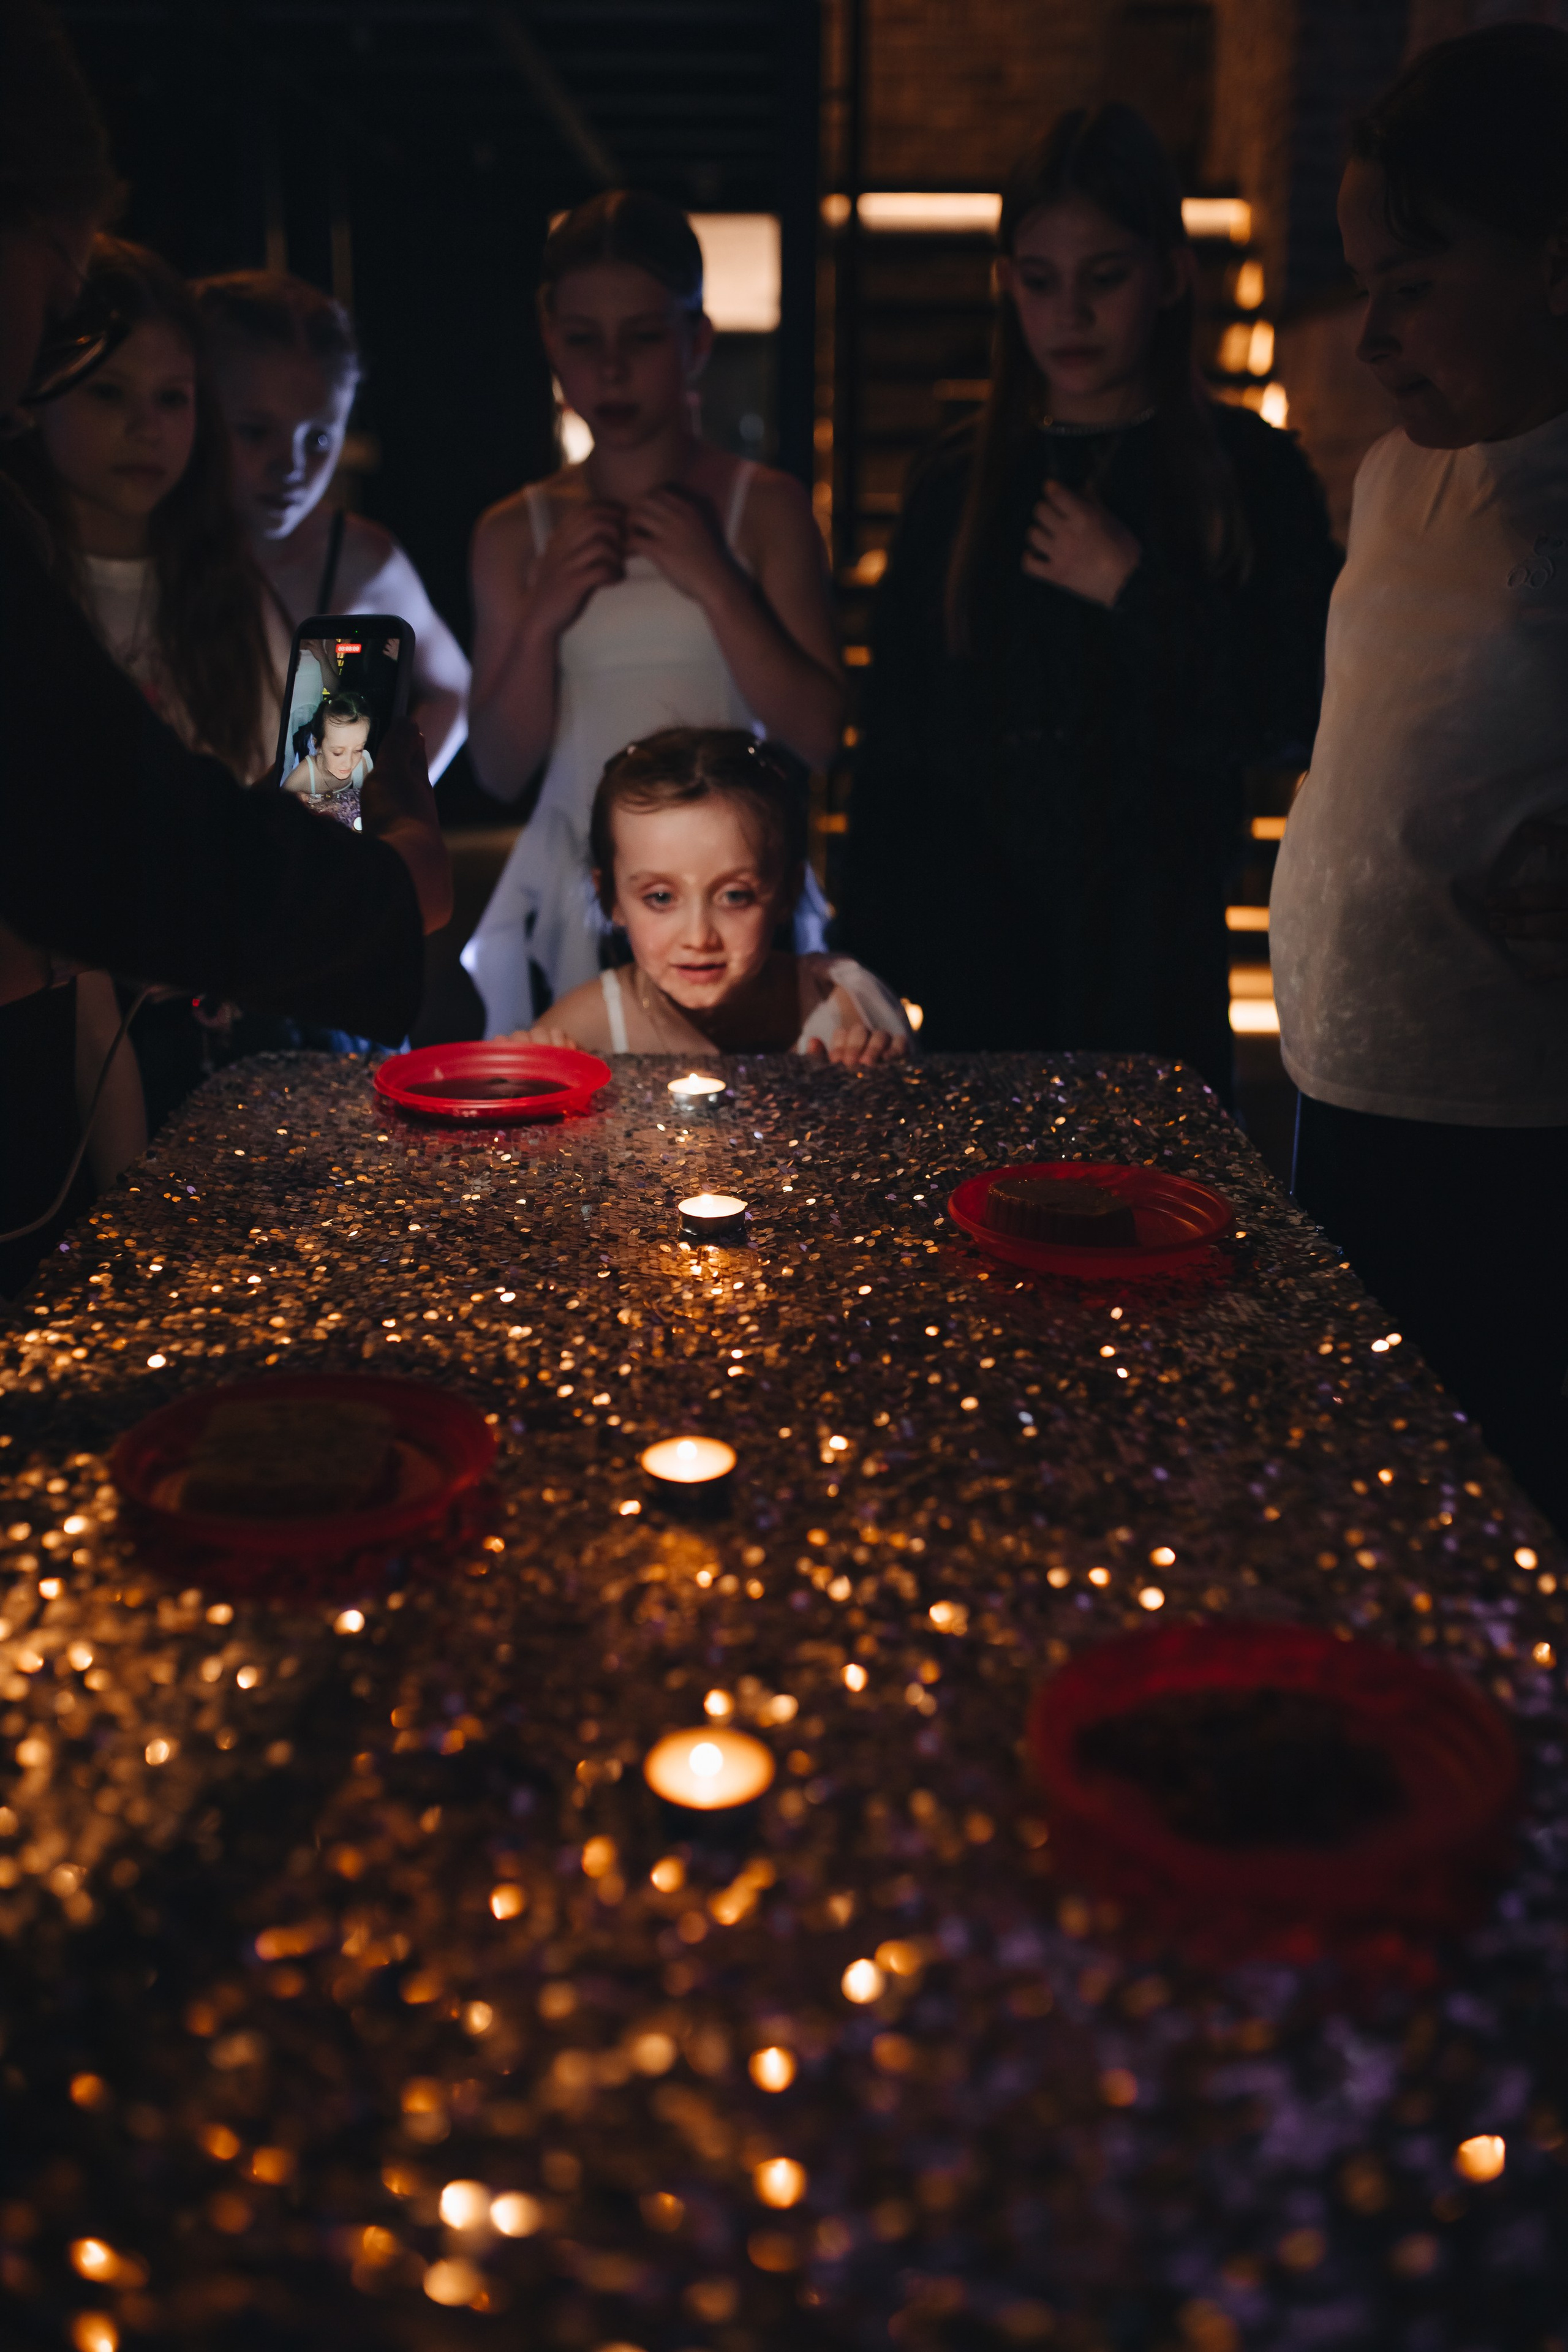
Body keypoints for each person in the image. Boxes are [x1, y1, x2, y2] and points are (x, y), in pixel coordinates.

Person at [0, 0, 449, 1294]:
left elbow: (324, 801)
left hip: (239, 1017)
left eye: (176, 405)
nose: (279, 467)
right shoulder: (36, 569)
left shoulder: (329, 580)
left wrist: (369, 834)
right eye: (250, 430)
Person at [840, 104, 1340, 1096]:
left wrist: (1135, 589)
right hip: (982, 956)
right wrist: (868, 962)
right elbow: (898, 739)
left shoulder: (1250, 469)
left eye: (1102, 278)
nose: (1068, 314)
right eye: (1039, 281)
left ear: (1169, 272)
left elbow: (1296, 706)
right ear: (1005, 283)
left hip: (1156, 957)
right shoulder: (957, 482)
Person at [1270, 24, 1568, 1532]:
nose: (1370, 333)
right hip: (1339, 1065)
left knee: (1486, 1487)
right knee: (1355, 1462)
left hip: (1502, 1111)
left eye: (1411, 286)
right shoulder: (1393, 473)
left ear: (1549, 267)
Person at [463, 189, 845, 1036]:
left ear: (695, 341)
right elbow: (496, 767)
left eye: (641, 337)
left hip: (727, 895)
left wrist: (716, 583)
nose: (610, 370)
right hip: (581, 892)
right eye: (582, 340)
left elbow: (819, 734)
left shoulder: (765, 508)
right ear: (547, 337)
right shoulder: (512, 532)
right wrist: (543, 616)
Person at [193, 268, 470, 780]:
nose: (291, 466)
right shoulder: (141, 546)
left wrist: (388, 807)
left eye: (319, 439)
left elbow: (455, 692)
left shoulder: (359, 559)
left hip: (303, 855)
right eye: (256, 432)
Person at [518, 728, 910, 1063]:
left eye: (735, 896)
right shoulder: (582, 1033)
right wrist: (526, 1083)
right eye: (660, 898)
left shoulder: (843, 1008)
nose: (699, 938)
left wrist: (875, 1084)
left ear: (788, 892)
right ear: (611, 899)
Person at [281, 688, 374, 827]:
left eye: (358, 750)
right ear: (317, 744)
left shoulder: (364, 765)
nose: (349, 763)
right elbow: (276, 814)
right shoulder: (302, 777)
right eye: (337, 752)